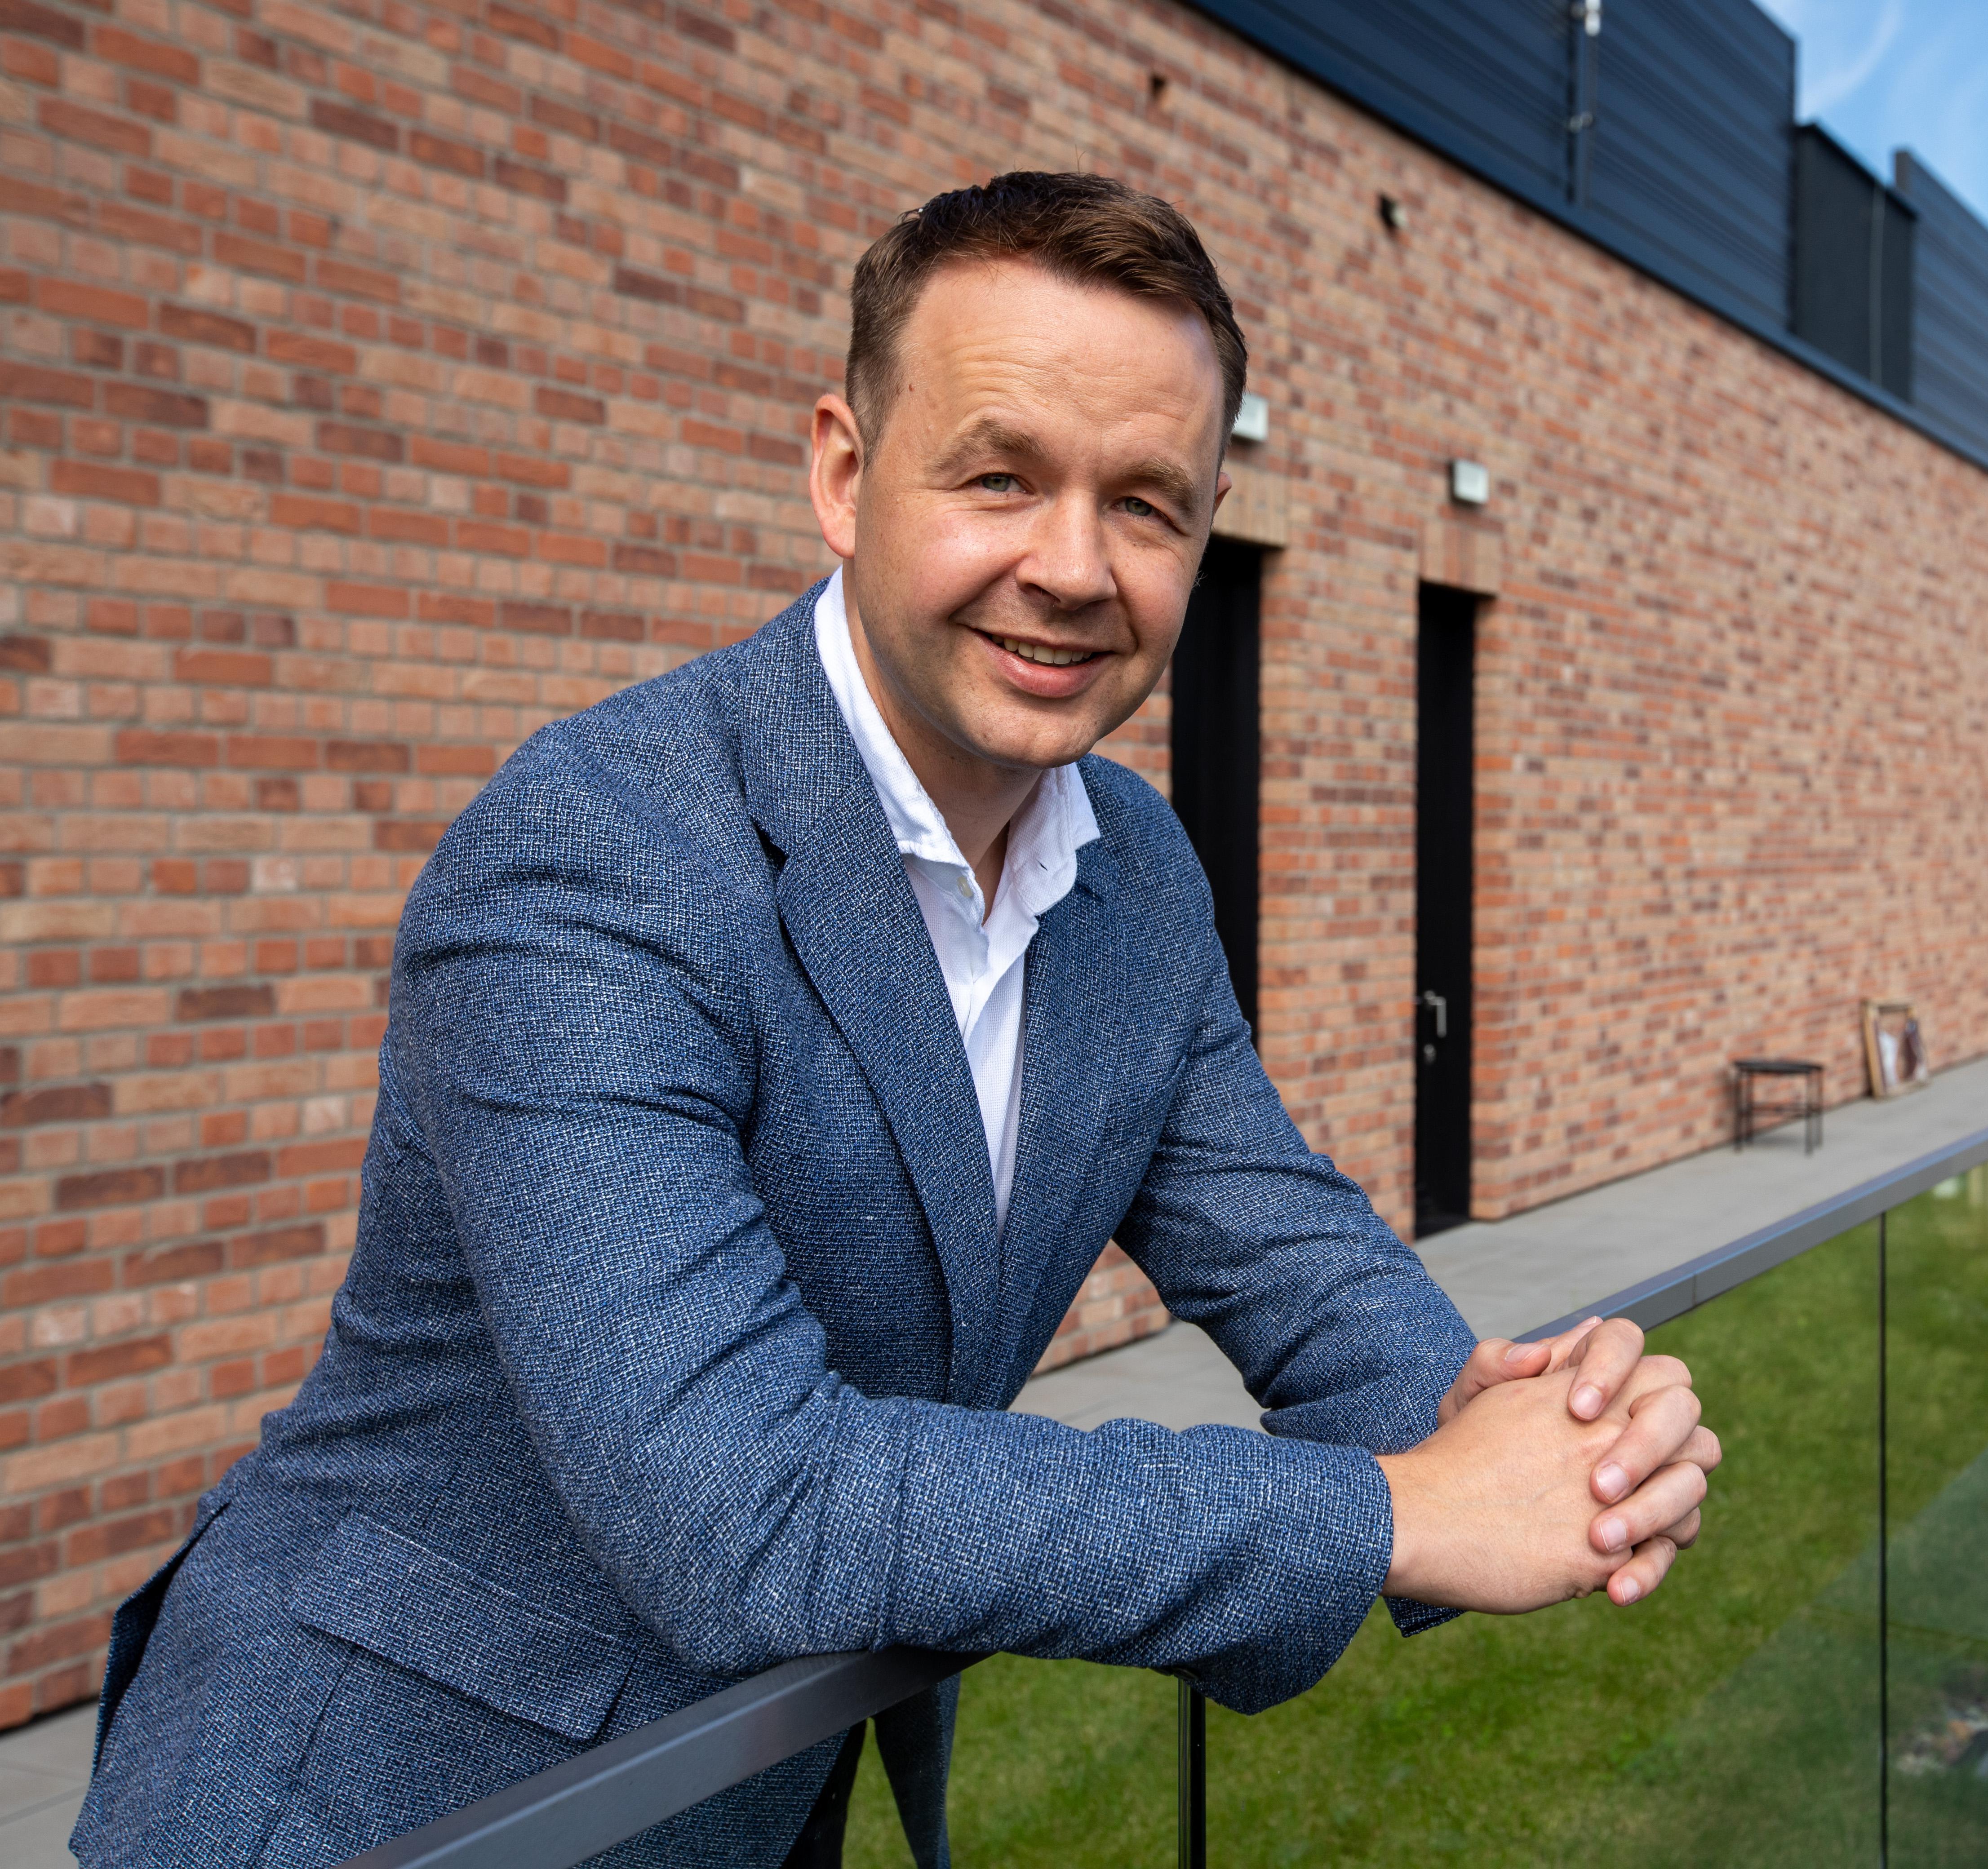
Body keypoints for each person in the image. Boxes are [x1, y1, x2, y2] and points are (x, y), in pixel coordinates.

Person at [74, 172, 1718, 1868]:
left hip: (756, 1778)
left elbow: (1279, 1237)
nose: (1072, 568)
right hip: (387, 1802)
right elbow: (744, 1505)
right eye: (1000, 477)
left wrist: (1548, 1438)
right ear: (844, 475)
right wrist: (1395, 1512)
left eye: (1146, 505)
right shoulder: (596, 856)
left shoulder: (1133, 867)